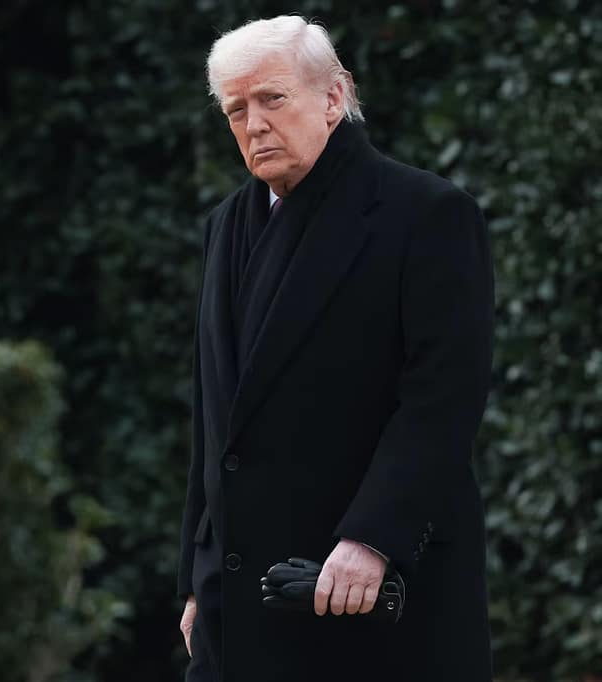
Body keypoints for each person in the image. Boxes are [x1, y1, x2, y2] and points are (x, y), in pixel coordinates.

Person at [176, 15, 494, 682]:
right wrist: (194, 577)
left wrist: (373, 538)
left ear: (331, 97)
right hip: (237, 603)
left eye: (272, 98)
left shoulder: (426, 213)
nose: (254, 123)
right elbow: (214, 418)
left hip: (366, 593)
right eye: (235, 109)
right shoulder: (223, 226)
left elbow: (442, 397)